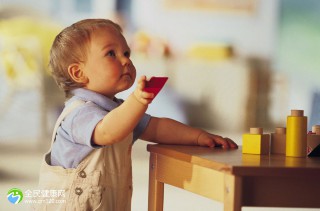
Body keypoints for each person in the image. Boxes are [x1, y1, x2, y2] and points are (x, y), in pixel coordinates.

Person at [35, 18, 237, 211]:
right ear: (79, 73)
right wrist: (137, 101)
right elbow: (107, 131)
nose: (125, 60)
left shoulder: (118, 110)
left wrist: (199, 136)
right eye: (111, 54)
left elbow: (157, 128)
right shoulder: (79, 113)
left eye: (126, 53)